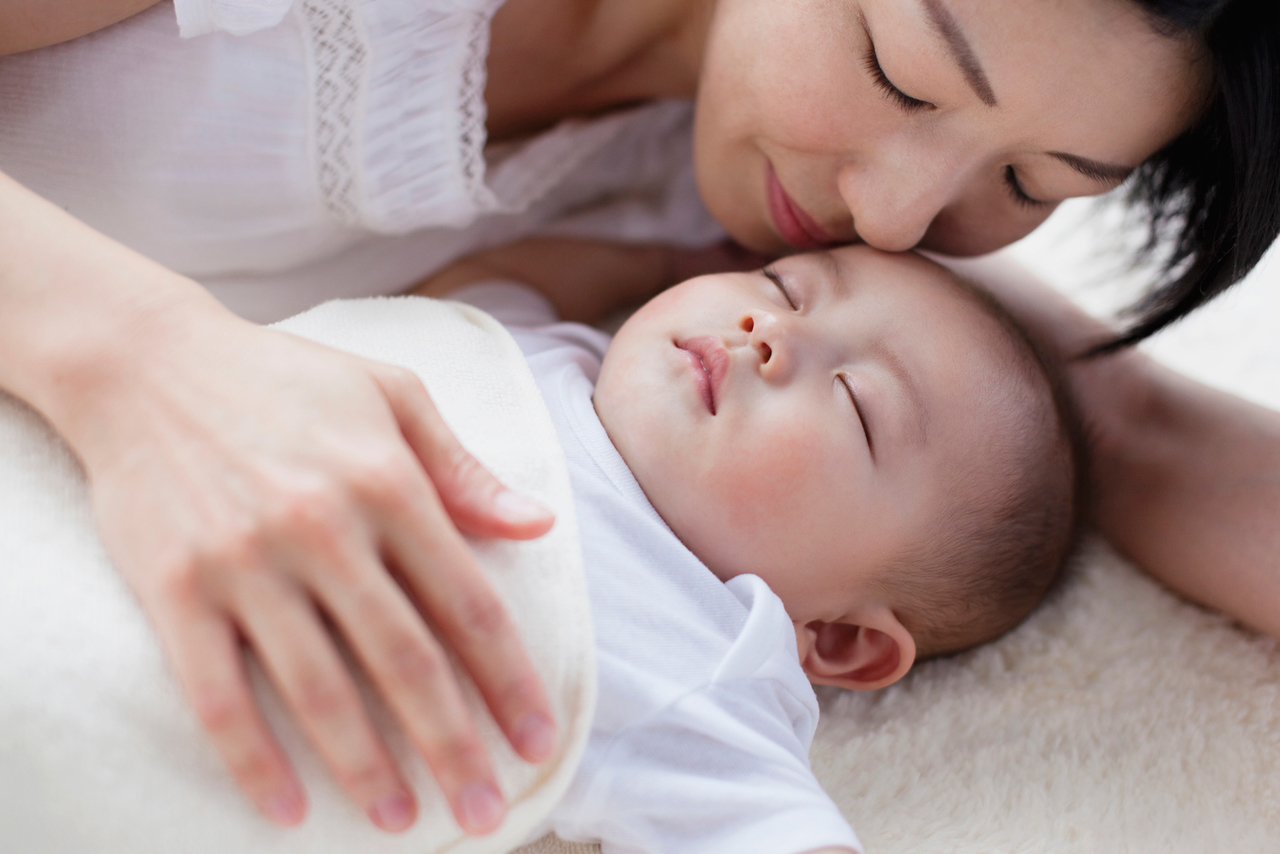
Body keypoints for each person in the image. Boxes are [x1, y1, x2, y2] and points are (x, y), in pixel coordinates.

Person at [0, 0, 1277, 835]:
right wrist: (144, 360)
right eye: (896, 71)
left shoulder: (781, 281)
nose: (896, 218)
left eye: (1028, 180)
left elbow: (1134, 438)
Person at [407, 236, 1083, 853]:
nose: (773, 328)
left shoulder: (684, 651)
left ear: (839, 638)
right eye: (783, 285)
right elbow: (486, 276)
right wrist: (652, 259)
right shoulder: (544, 346)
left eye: (856, 404)